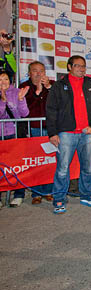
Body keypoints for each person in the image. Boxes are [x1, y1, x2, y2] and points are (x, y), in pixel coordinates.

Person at [46, 55, 91, 214]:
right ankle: (59, 198)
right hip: (66, 134)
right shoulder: (59, 85)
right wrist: (52, 133)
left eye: (83, 66)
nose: (81, 69)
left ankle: (86, 194)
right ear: (69, 67)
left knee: (88, 168)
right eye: (77, 66)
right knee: (62, 168)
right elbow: (50, 110)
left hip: (87, 133)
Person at [18, 61, 55, 204]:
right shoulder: (23, 87)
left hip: (50, 128)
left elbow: (57, 103)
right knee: (35, 162)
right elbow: (25, 110)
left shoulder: (51, 85)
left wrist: (47, 88)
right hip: (33, 128)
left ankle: (49, 191)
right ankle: (36, 193)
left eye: (41, 70)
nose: (39, 73)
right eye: (35, 71)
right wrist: (38, 91)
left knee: (50, 160)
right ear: (29, 73)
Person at [0, 70, 29, 207]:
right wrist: (2, 101)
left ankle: (19, 194)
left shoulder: (17, 91)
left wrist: (21, 100)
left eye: (5, 79)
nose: (3, 82)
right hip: (1, 135)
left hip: (14, 134)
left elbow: (24, 113)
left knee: (17, 165)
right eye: (0, 80)